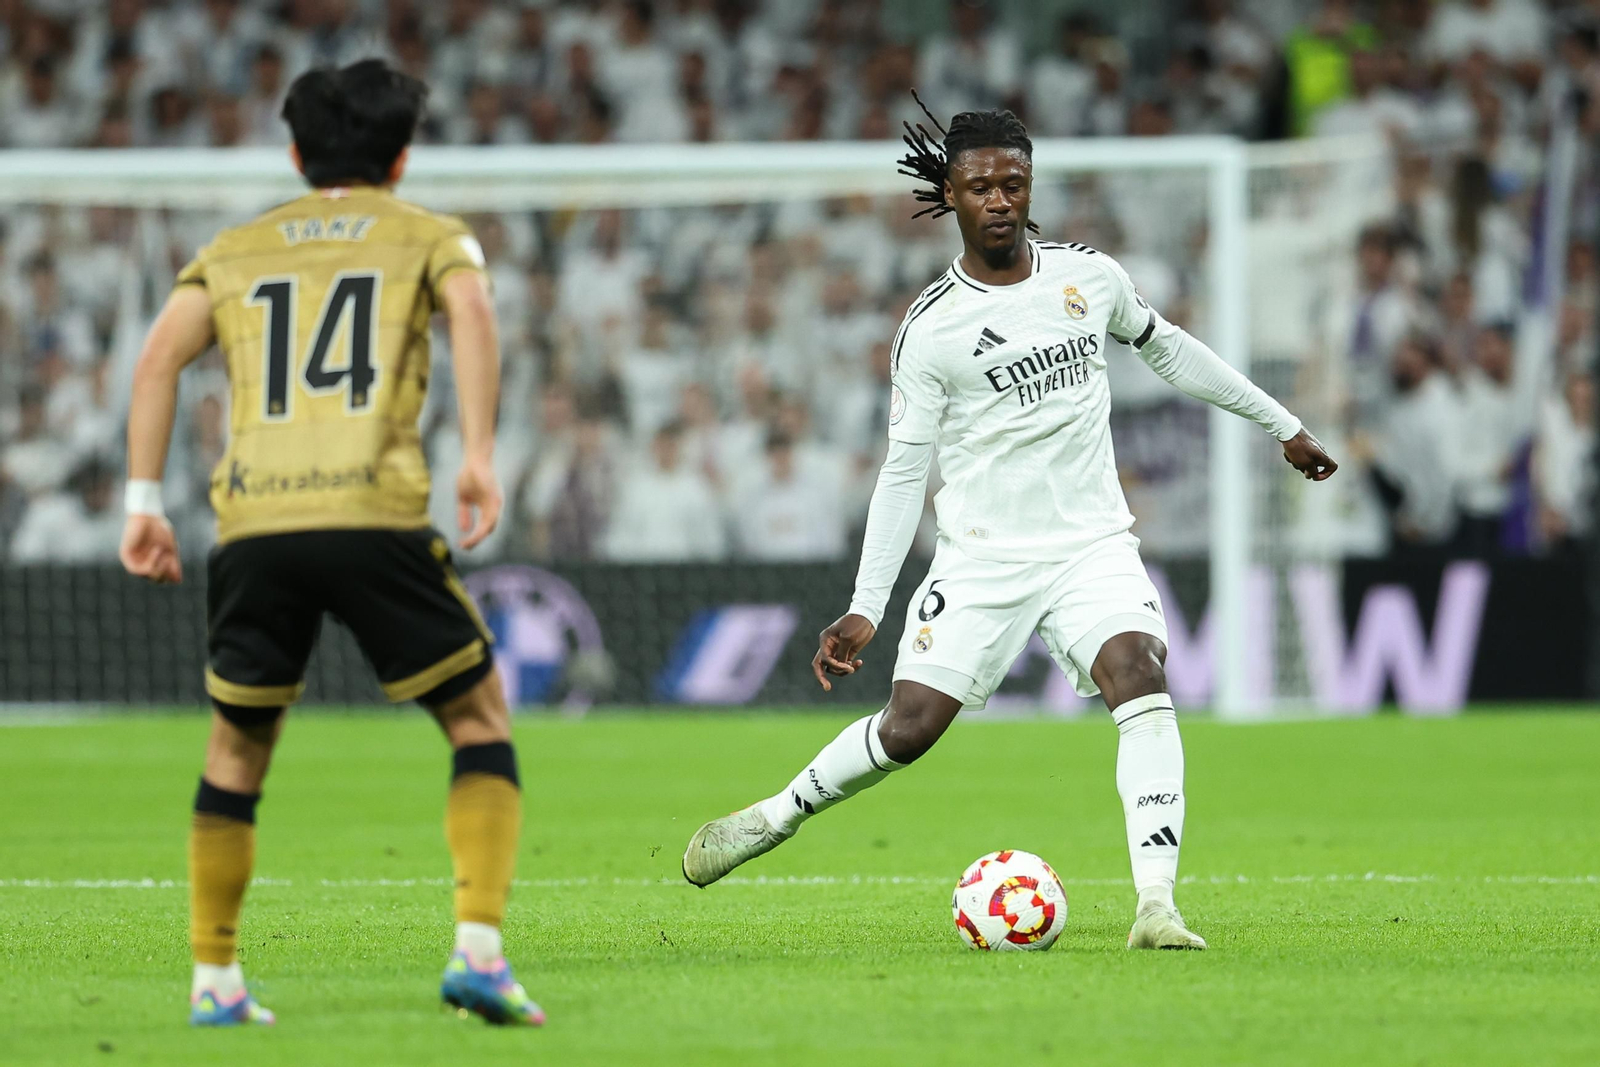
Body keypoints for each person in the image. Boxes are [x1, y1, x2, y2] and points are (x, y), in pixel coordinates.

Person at [681, 101, 1337, 950]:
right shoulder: (931, 329)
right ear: (950, 195)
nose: (999, 199)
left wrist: (1282, 422)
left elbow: (1170, 347)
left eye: (1013, 183)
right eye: (980, 186)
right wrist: (867, 605)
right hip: (983, 559)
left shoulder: (1088, 278)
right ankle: (776, 814)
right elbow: (904, 471)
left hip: (1091, 544)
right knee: (908, 728)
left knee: (1138, 671)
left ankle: (1156, 906)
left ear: (1031, 187)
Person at [117, 59, 543, 1028]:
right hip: (370, 512)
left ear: (296, 153)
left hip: (255, 524)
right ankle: (479, 954)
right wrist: (478, 455)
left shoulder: (234, 248)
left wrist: (143, 501)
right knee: (479, 719)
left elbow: (156, 359)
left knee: (235, 750)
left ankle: (215, 980)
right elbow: (473, 310)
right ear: (401, 158)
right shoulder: (428, 234)